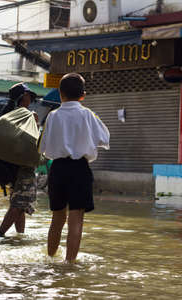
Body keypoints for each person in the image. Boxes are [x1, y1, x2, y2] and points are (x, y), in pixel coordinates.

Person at [39, 73, 110, 263]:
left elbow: (42, 148)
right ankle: (69, 264)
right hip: (80, 169)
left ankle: (51, 259)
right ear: (83, 95)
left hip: (58, 169)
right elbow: (105, 138)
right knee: (76, 219)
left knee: (57, 218)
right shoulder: (88, 114)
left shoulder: (52, 116)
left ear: (60, 94)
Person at [0, 83, 38, 237]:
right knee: (20, 203)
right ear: (22, 97)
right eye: (28, 96)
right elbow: (27, 139)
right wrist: (34, 122)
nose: (30, 99)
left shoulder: (7, 113)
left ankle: (20, 236)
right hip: (21, 166)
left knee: (20, 203)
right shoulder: (22, 115)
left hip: (10, 166)